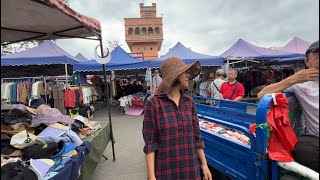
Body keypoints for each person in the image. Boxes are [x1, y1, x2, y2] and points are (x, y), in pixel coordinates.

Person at [143, 57, 212, 180]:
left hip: (190, 169)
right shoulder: (153, 104)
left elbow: (197, 136)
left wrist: (204, 165)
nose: (188, 75)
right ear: (174, 76)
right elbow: (150, 144)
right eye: (184, 72)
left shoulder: (189, 102)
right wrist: (151, 177)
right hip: (165, 171)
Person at [258, 40, 319, 173]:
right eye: (318, 57)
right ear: (306, 62)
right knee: (303, 150)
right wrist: (295, 78)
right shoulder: (300, 83)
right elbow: (261, 95)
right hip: (315, 139)